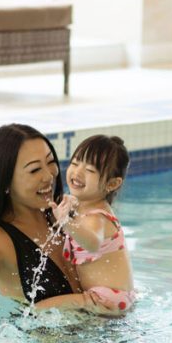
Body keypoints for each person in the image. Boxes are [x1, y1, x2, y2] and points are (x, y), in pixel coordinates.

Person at [0, 123, 102, 315]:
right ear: (5, 181)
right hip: (46, 342)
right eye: (34, 170)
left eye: (50, 162)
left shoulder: (67, 215)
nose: (48, 175)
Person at [42, 135, 136, 315]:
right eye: (75, 163)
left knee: (39, 308)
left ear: (112, 183)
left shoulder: (98, 216)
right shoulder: (82, 205)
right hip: (112, 298)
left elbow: (93, 242)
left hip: (105, 300)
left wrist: (67, 223)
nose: (77, 173)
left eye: (90, 170)